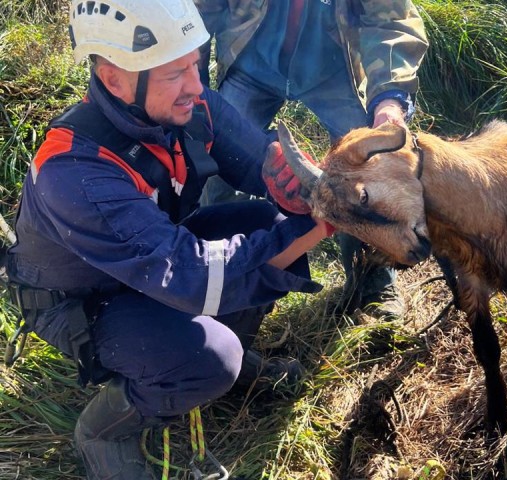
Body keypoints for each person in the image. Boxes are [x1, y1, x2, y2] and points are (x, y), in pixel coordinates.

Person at [5, 0, 333, 478]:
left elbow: (259, 158)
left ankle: (229, 368)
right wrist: (313, 228)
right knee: (212, 356)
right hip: (82, 300)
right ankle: (104, 430)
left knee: (263, 224)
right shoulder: (74, 171)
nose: (197, 86)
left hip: (155, 258)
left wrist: (303, 191)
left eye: (197, 64)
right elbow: (193, 279)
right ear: (115, 78)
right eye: (174, 73)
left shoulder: (189, 106)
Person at [194, 0, 429, 319]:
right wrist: (192, 87)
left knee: (367, 168)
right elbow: (197, 10)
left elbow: (392, 20)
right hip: (249, 60)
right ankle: (219, 278)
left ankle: (372, 284)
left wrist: (388, 102)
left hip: (335, 68)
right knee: (218, 157)